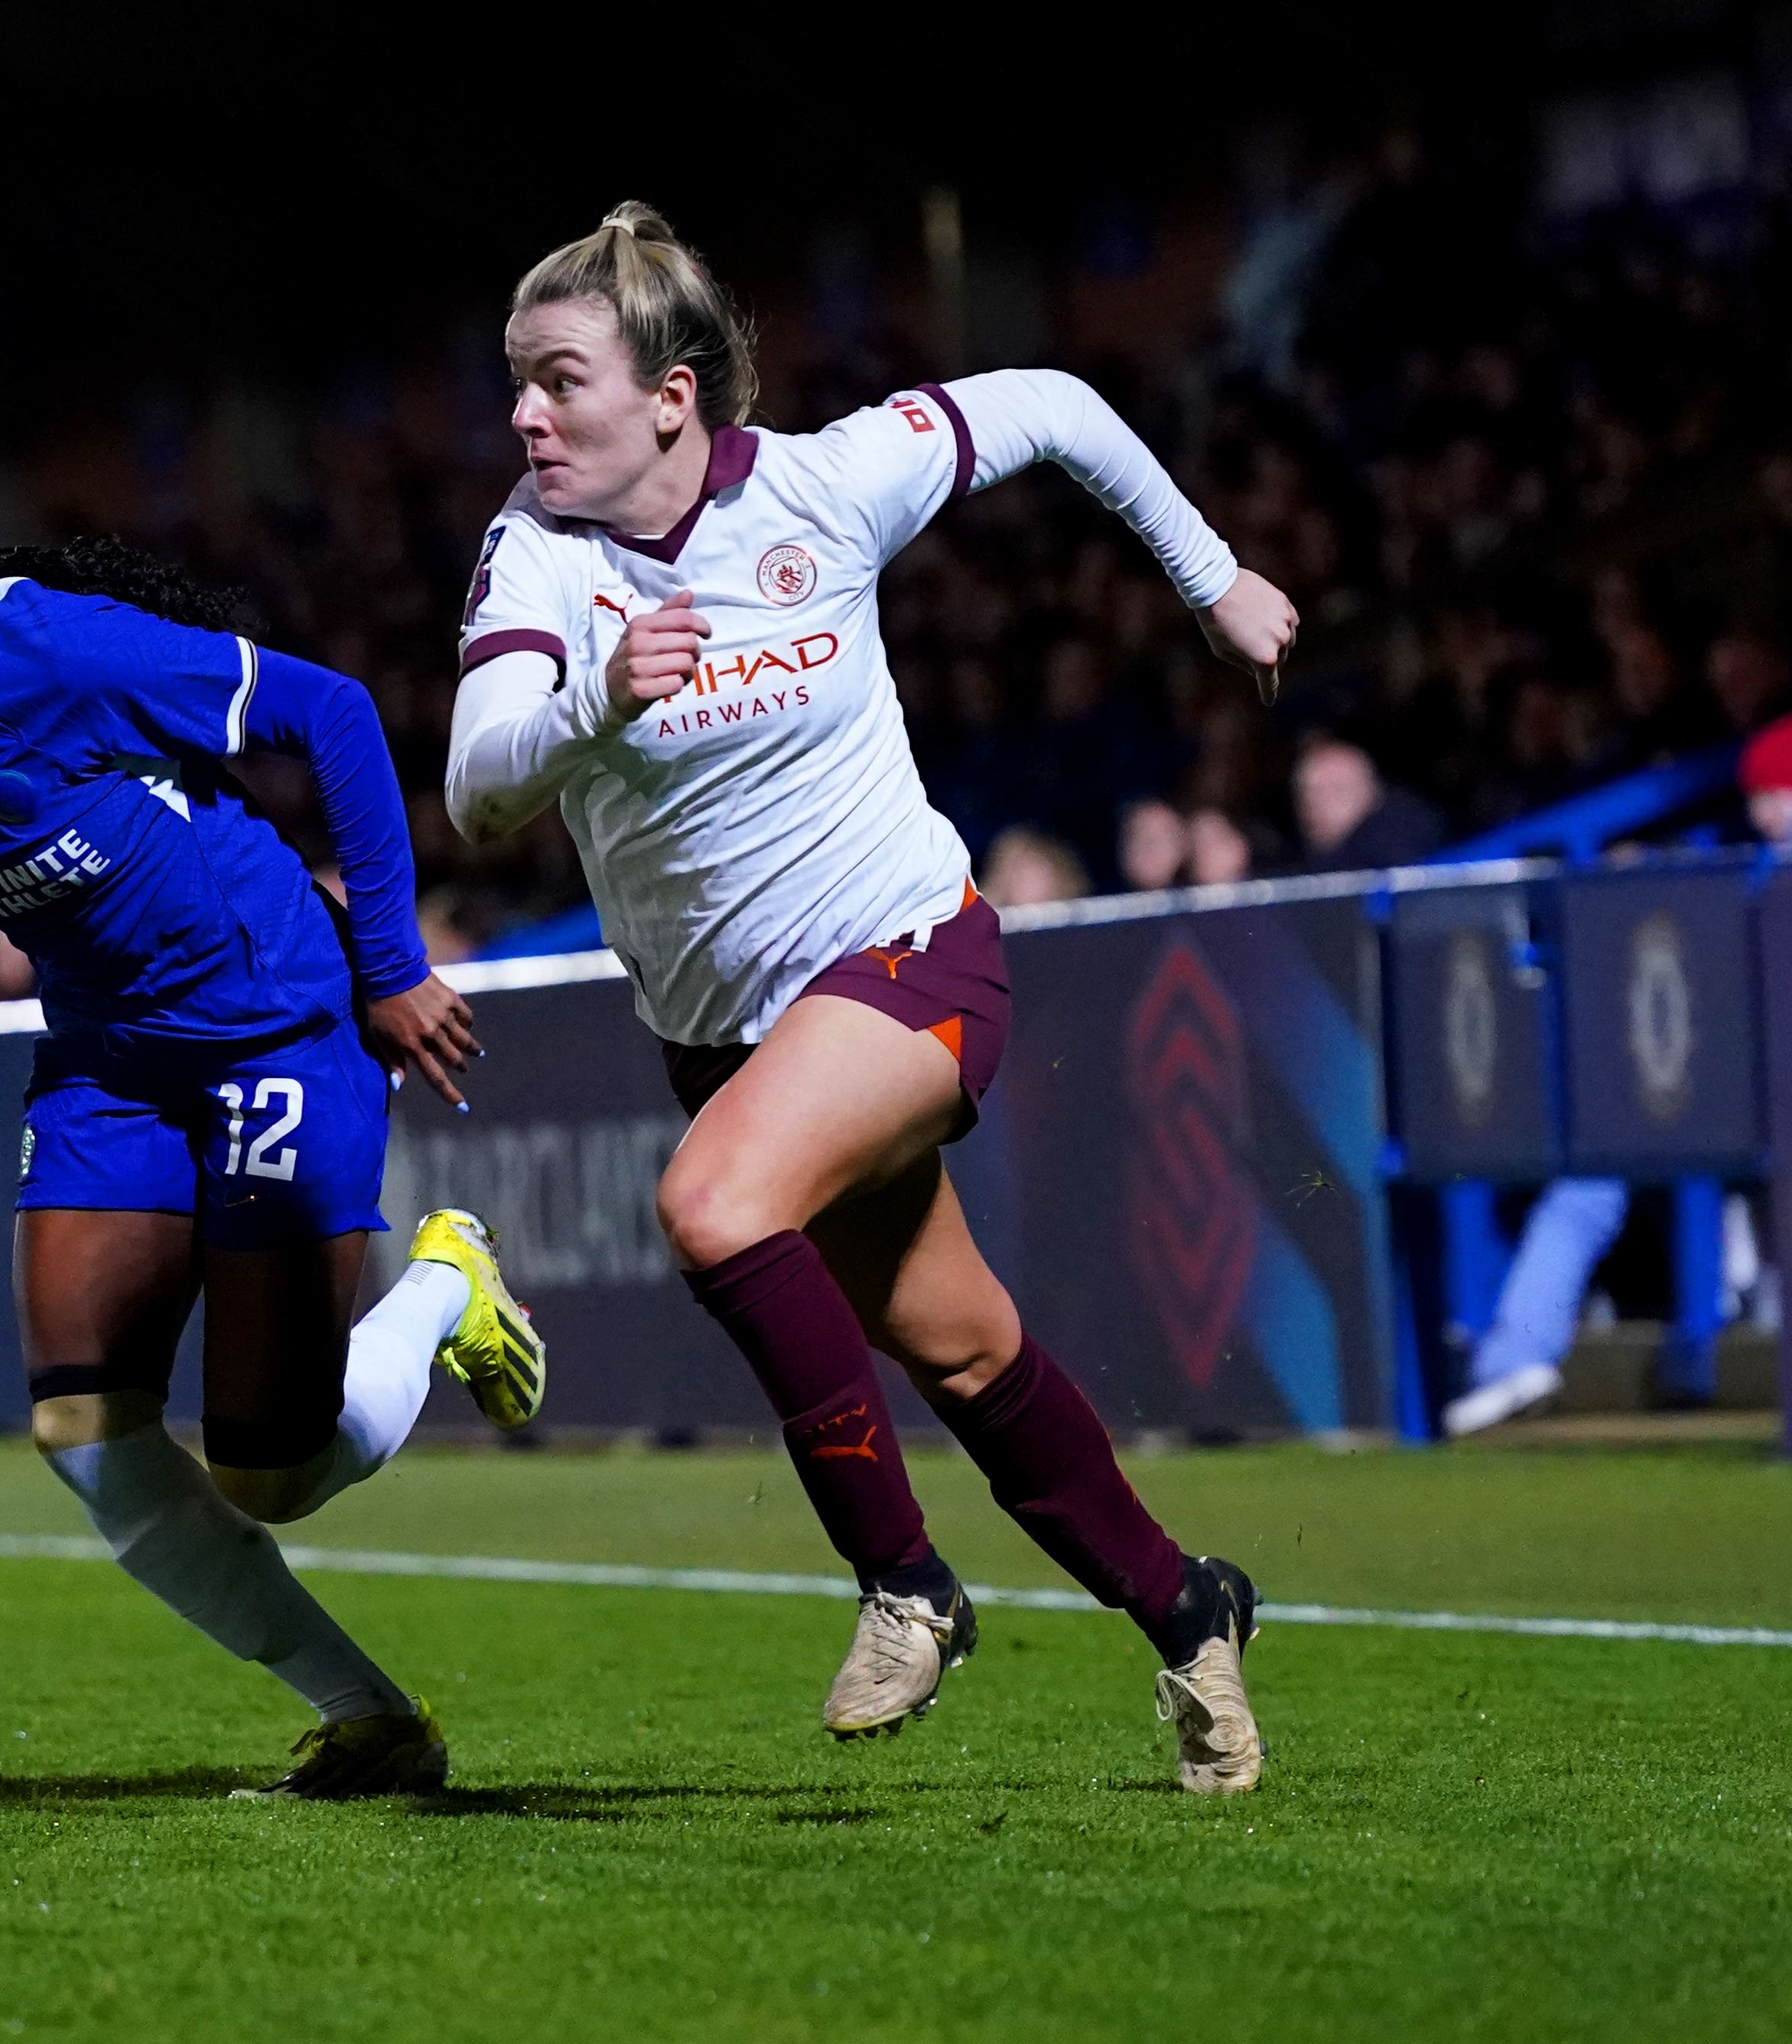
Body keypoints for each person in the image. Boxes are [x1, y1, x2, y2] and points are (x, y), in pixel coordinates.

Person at [447, 203, 1296, 1793]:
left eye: (559, 380)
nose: (525, 415)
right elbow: (479, 783)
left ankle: (906, 1581)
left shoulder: (830, 481)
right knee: (970, 1354)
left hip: (911, 955)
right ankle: (1191, 1609)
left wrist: (1213, 573)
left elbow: (1051, 402)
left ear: (675, 393)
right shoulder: (538, 557)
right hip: (733, 1038)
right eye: (517, 381)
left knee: (710, 1203)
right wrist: (590, 702)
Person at [0, 425, 542, 1798]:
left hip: (275, 1019)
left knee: (272, 1471)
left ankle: (443, 1283)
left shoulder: (54, 651)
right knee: (82, 1428)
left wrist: (388, 966)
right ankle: (369, 1717)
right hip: (106, 1061)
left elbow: (325, 713)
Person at [1444, 713, 1792, 1435]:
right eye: (1759, 795)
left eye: (1779, 793)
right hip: (1713, 1083)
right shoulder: (1735, 869)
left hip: (1762, 1099)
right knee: (1589, 1181)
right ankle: (1512, 1361)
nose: (1765, 811)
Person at [1290, 735, 1446, 871]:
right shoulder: (1301, 861)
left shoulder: (1391, 847)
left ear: (1373, 794)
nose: (1318, 803)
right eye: (1309, 792)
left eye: (1337, 789)